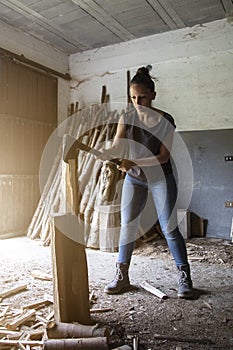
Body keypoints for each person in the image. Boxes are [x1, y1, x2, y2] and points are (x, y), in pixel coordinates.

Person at [99, 66, 193, 299]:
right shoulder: (127, 117)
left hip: (161, 177)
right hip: (135, 179)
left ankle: (185, 279)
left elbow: (163, 156)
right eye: (132, 97)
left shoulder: (165, 120)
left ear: (153, 94)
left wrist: (133, 161)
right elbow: (118, 146)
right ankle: (122, 276)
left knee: (169, 228)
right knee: (128, 226)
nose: (137, 102)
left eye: (141, 96)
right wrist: (107, 151)